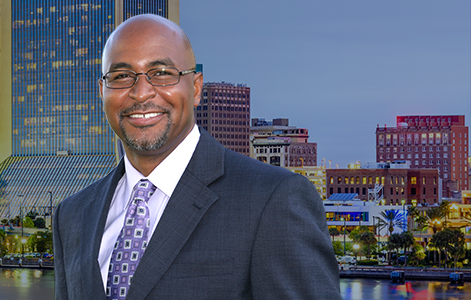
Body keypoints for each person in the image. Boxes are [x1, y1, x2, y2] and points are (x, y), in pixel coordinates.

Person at [51, 14, 339, 299]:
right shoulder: (72, 216)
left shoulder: (273, 200)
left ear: (196, 87)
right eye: (122, 76)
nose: (140, 93)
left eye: (162, 73)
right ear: (102, 91)